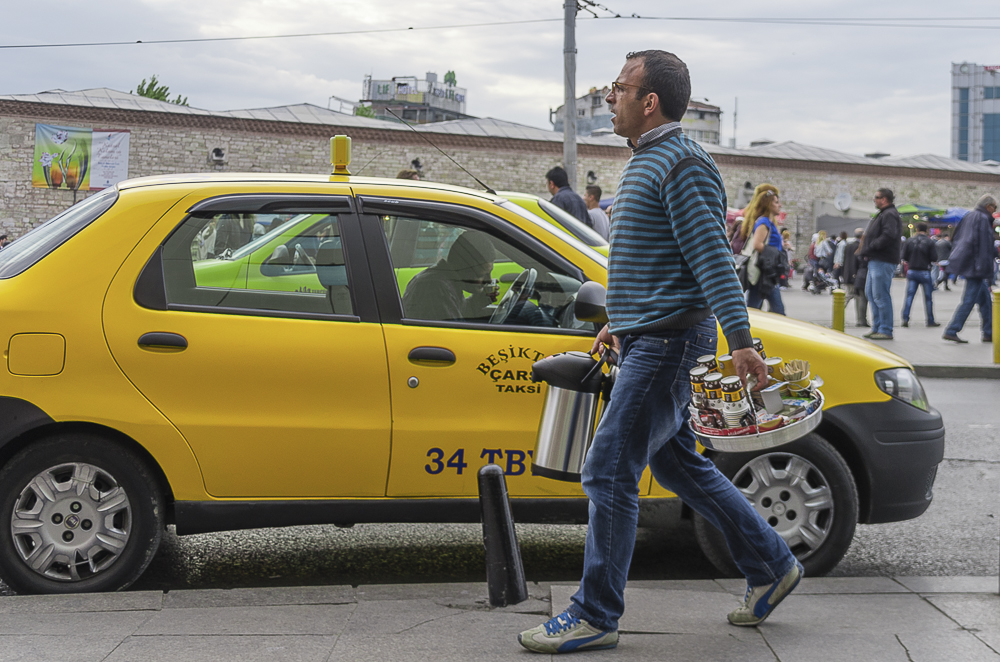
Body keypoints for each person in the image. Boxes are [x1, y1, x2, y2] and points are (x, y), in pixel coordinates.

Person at [518, 50, 800, 655]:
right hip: (648, 337)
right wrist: (618, 321)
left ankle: (596, 612)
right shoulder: (647, 161)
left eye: (618, 88)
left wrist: (743, 342)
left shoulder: (682, 163)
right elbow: (651, 262)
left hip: (670, 347)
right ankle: (773, 564)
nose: (609, 97)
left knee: (608, 469)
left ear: (650, 101)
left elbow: (711, 262)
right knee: (678, 466)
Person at [401, 231, 498, 321]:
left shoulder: (446, 281)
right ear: (462, 267)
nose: (488, 280)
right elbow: (453, 335)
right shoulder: (436, 288)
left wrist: (479, 300)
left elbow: (459, 313)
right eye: (481, 274)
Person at [942, 195, 998, 343]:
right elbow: (984, 246)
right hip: (976, 267)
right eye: (995, 207)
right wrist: (986, 271)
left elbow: (958, 239)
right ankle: (952, 329)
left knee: (985, 301)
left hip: (969, 264)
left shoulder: (969, 216)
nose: (995, 211)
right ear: (989, 207)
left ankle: (989, 332)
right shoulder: (982, 219)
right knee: (969, 300)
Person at [860, 188, 902, 340]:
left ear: (884, 199)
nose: (874, 200)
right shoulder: (885, 214)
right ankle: (877, 327)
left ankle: (885, 329)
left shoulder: (889, 214)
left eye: (877, 197)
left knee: (880, 295)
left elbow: (888, 235)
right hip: (876, 259)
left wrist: (871, 246)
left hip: (883, 259)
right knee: (871, 294)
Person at [742, 186, 787, 314]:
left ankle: (746, 329)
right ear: (768, 204)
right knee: (777, 310)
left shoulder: (768, 222)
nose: (780, 205)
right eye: (776, 202)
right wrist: (775, 255)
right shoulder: (764, 222)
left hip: (767, 271)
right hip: (765, 271)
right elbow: (757, 244)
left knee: (754, 306)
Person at [900, 222, 939, 328]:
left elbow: (904, 256)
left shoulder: (910, 241)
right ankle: (930, 320)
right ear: (926, 230)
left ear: (916, 229)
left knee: (909, 297)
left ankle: (905, 318)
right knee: (928, 298)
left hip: (912, 271)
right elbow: (934, 257)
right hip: (925, 271)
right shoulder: (929, 242)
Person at [842, 228, 869, 326]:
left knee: (848, 297)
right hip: (856, 276)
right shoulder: (859, 247)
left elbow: (844, 260)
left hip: (847, 274)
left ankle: (838, 315)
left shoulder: (848, 245)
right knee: (858, 298)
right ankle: (861, 320)